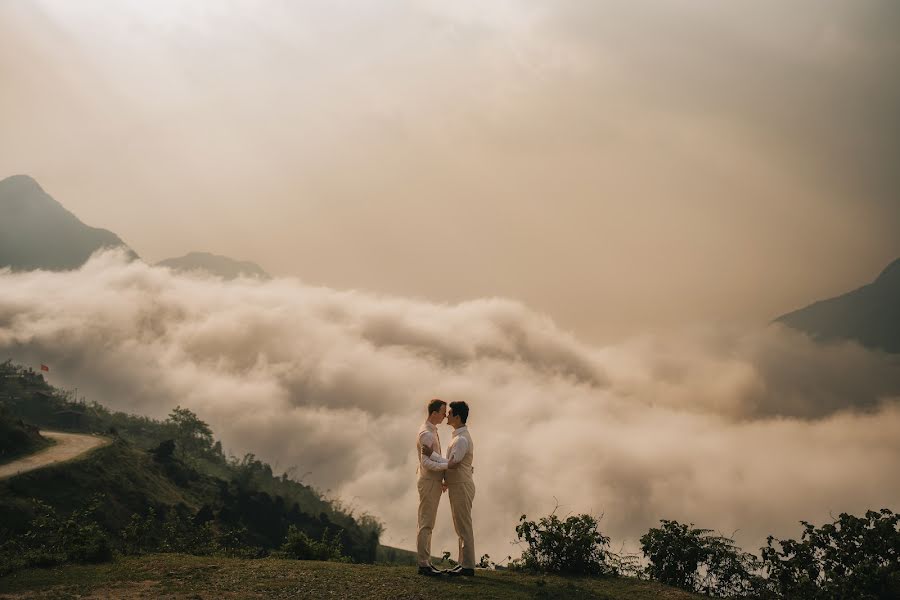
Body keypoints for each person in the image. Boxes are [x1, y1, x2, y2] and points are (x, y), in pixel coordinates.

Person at [421, 400, 475, 576]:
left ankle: (467, 566)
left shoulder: (461, 439)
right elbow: (452, 465)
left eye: (450, 413)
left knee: (463, 525)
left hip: (461, 486)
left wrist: (432, 455)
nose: (447, 416)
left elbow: (452, 464)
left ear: (457, 417)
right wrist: (446, 480)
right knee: (460, 525)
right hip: (457, 485)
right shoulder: (458, 437)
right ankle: (463, 563)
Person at [415, 398, 449, 576]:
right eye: (443, 412)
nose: (445, 415)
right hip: (429, 482)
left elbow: (432, 457)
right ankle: (423, 564)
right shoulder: (427, 434)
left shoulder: (431, 431)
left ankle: (426, 562)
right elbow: (426, 462)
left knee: (428, 523)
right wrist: (447, 466)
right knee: (426, 523)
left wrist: (442, 478)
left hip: (432, 482)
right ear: (434, 413)